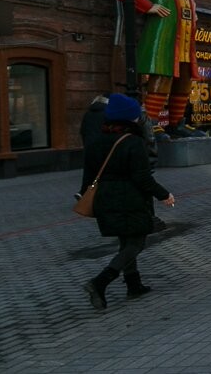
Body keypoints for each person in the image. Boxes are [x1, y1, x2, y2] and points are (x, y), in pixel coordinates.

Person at [80, 93, 175, 311]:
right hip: (130, 199)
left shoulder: (96, 142)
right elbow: (142, 177)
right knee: (136, 243)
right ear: (128, 118)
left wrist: (85, 195)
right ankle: (99, 282)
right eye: (135, 115)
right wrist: (164, 194)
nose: (138, 118)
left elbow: (88, 175)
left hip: (105, 199)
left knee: (126, 241)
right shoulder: (133, 142)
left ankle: (133, 284)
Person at [109, 0, 201, 140]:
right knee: (162, 78)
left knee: (184, 81)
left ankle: (176, 123)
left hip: (186, 41)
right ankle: (152, 123)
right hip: (163, 39)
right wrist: (148, 6)